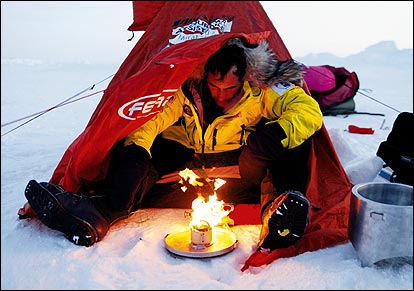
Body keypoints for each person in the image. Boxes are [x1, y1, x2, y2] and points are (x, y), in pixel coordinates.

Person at [19, 37, 323, 254]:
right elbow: (152, 118)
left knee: (289, 140)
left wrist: (274, 135)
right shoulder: (184, 89)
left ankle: (280, 211)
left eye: (229, 88)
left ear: (245, 79)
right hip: (188, 168)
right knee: (140, 147)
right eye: (214, 86)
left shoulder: (265, 90)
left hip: (242, 168)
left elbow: (307, 110)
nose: (220, 95)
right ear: (205, 75)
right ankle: (97, 215)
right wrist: (137, 150)